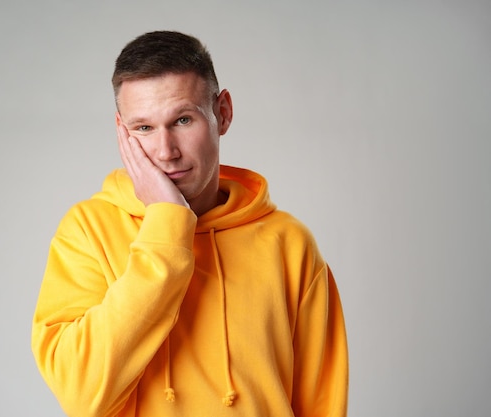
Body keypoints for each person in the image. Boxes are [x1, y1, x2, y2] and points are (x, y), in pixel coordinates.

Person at [31, 30, 348, 417]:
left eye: (182, 119)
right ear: (121, 131)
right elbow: (82, 396)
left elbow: (321, 404)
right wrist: (167, 223)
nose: (166, 151)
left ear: (223, 113)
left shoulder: (289, 243)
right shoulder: (86, 231)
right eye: (143, 128)